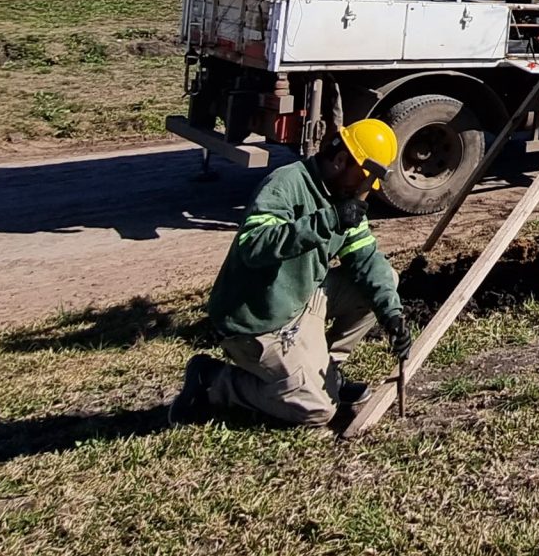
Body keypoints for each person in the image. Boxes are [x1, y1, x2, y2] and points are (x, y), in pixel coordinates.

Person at [171, 119, 411, 429]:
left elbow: (366, 259)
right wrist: (329, 220)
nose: (365, 190)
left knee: (385, 280)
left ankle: (329, 372)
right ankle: (213, 381)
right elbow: (254, 247)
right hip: (257, 322)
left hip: (300, 300)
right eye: (363, 179)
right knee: (317, 410)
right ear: (340, 161)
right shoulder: (287, 184)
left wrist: (392, 315)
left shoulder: (342, 200)